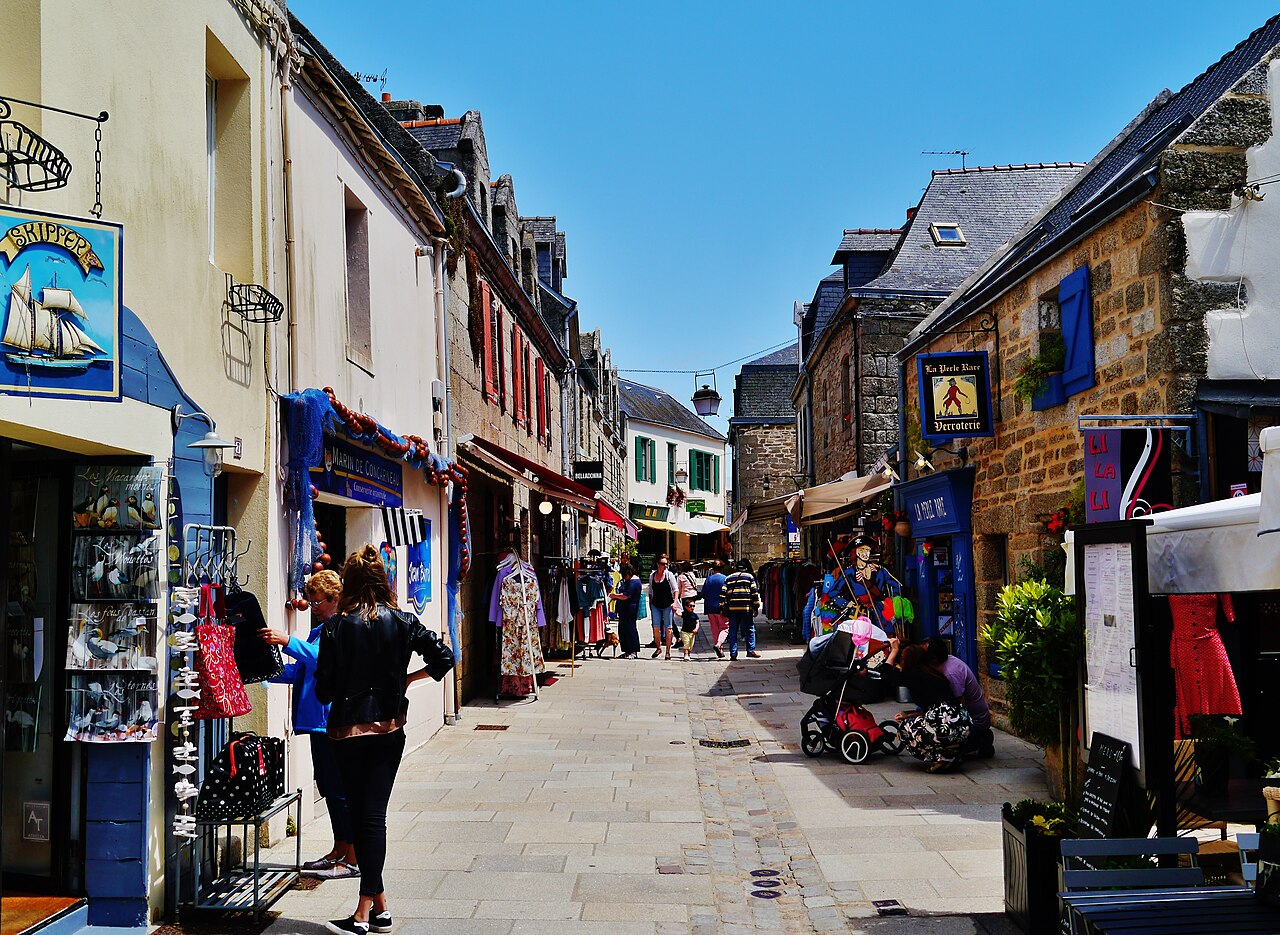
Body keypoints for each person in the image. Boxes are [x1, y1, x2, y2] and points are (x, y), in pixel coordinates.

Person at [316, 546, 447, 935]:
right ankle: (382, 909)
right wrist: (406, 680)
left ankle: (360, 914)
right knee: (368, 818)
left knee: (367, 819)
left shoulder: (336, 628)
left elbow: (324, 691)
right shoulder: (404, 621)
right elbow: (443, 658)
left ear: (349, 583)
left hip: (347, 732)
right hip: (390, 728)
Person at [259, 570, 357, 879]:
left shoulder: (340, 628)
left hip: (331, 720)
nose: (313, 607)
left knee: (340, 789)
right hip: (317, 722)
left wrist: (287, 640)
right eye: (311, 601)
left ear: (335, 599)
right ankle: (339, 848)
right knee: (328, 787)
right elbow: (300, 671)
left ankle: (352, 857)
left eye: (317, 602)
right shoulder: (319, 630)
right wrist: (259, 669)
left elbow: (321, 659)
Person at [882, 638, 972, 773]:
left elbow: (886, 675)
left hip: (945, 723)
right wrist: (909, 715)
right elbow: (933, 707)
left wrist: (894, 650)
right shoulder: (934, 674)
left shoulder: (913, 674)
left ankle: (941, 758)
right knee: (919, 723)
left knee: (904, 729)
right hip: (961, 721)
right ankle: (951, 755)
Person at [925, 637, 994, 758]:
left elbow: (959, 707)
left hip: (975, 722)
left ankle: (980, 739)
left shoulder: (951, 673)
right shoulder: (949, 661)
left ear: (934, 658)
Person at [722, 560, 761, 661]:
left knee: (733, 631)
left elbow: (722, 594)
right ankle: (750, 650)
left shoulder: (728, 578)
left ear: (735, 567)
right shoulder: (749, 577)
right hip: (746, 609)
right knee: (750, 629)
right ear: (745, 568)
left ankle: (733, 654)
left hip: (733, 609)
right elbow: (754, 593)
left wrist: (722, 607)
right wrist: (756, 606)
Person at [648, 557, 679, 660]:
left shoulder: (669, 575)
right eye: (663, 564)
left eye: (667, 564)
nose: (665, 566)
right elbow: (651, 591)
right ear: (658, 564)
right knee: (656, 627)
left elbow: (675, 590)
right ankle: (658, 647)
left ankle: (668, 651)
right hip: (656, 604)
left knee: (668, 628)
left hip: (667, 605)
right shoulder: (652, 576)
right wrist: (650, 604)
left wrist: (674, 602)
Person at [610, 563, 643, 659]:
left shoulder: (634, 582)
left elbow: (626, 596)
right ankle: (627, 650)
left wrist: (615, 596)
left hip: (630, 609)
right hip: (624, 609)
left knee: (630, 629)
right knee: (623, 629)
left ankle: (633, 650)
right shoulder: (629, 581)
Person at [701, 560, 729, 658]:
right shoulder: (725, 579)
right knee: (725, 627)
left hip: (710, 607)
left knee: (714, 628)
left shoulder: (709, 579)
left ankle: (720, 650)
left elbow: (703, 594)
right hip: (722, 607)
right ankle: (718, 644)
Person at [678, 597, 700, 661]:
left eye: (693, 606)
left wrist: (696, 629)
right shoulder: (684, 614)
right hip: (685, 631)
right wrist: (674, 610)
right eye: (690, 606)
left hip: (692, 633)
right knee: (686, 643)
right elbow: (678, 614)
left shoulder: (695, 615)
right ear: (686, 607)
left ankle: (688, 654)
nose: (692, 607)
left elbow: (697, 622)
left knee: (691, 645)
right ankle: (686, 654)